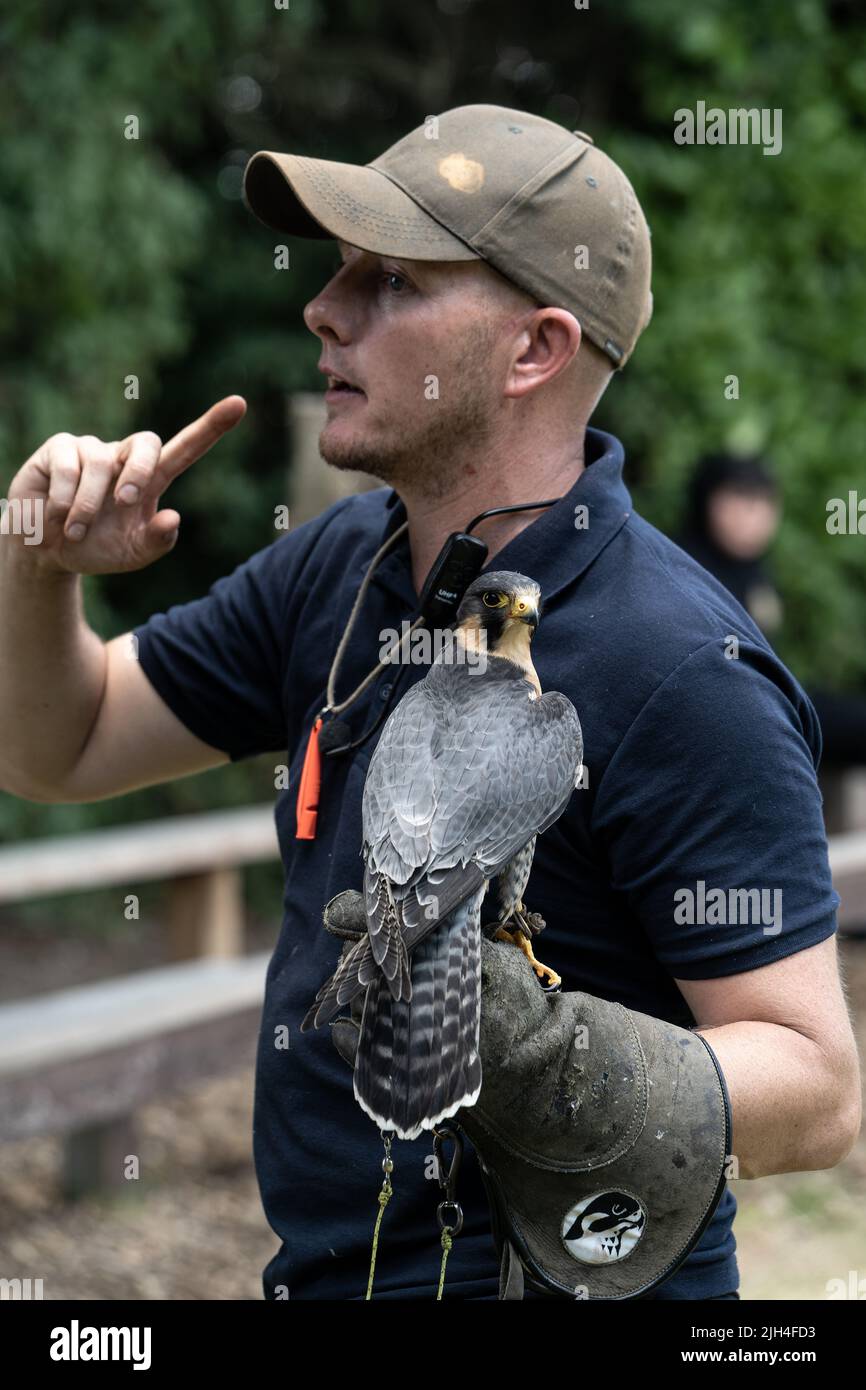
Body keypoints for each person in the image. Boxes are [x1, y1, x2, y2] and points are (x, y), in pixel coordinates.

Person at [0, 104, 859, 1302]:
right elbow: (60, 745)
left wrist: (560, 1067)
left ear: (533, 350)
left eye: (392, 280)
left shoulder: (677, 663)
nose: (324, 307)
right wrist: (38, 567)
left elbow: (818, 1091)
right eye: (338, 270)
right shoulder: (339, 566)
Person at [679, 452, 866, 769]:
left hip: (770, 708)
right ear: (706, 501)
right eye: (738, 498)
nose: (752, 515)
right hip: (728, 724)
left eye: (763, 501)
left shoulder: (752, 572)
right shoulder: (689, 572)